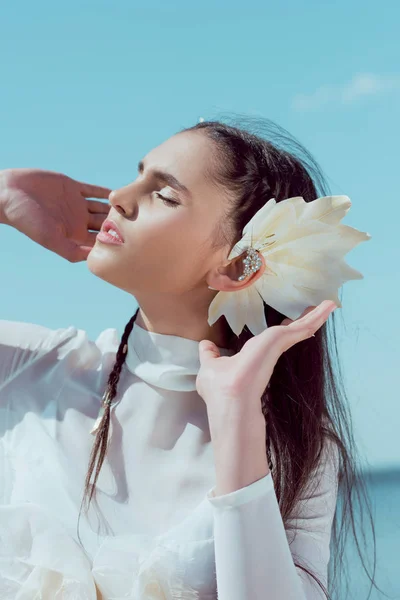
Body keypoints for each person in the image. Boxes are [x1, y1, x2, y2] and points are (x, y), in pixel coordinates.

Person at [0, 119, 379, 599]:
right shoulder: (32, 368)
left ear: (240, 265)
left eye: (164, 194)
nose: (119, 195)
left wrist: (236, 415)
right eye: (137, 175)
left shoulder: (296, 447)